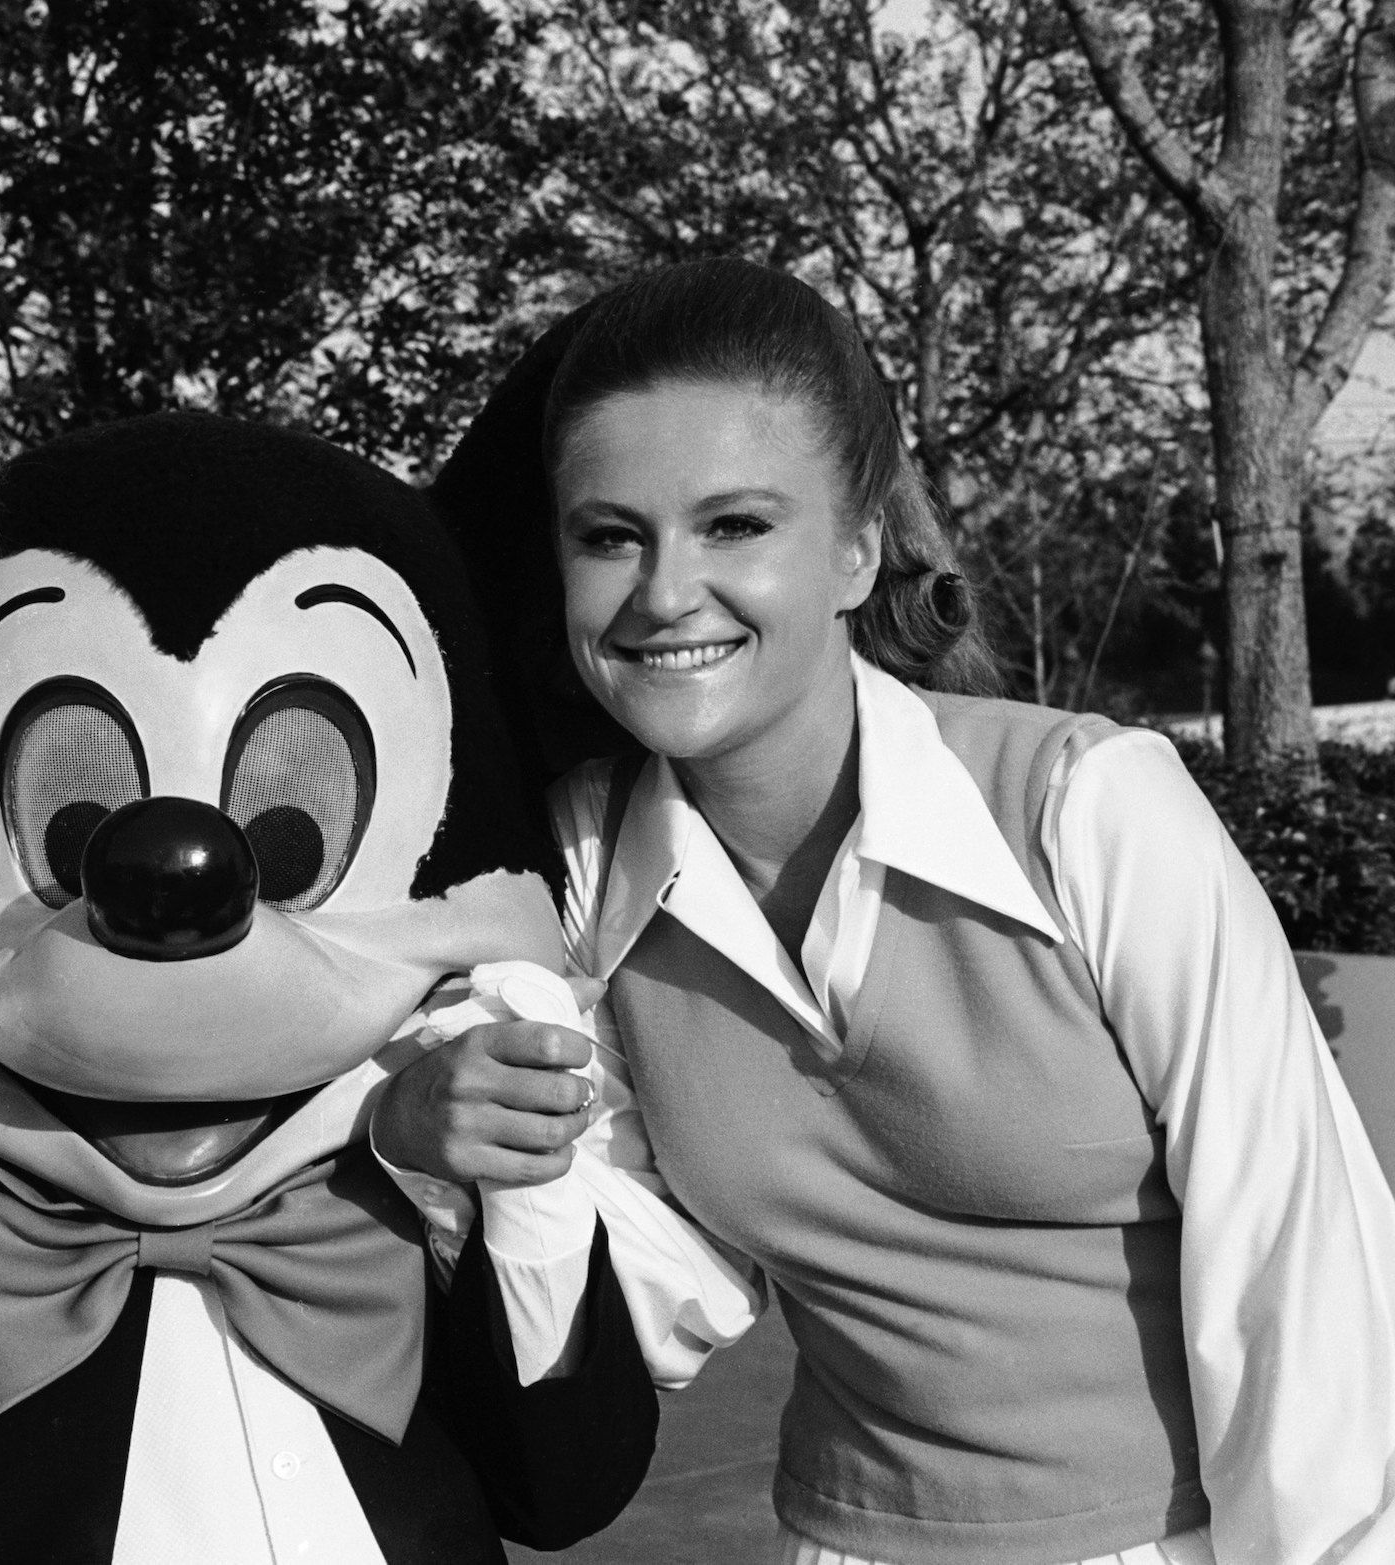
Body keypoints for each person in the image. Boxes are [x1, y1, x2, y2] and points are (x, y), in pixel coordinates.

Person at [378, 259, 1395, 1564]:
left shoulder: (1088, 811)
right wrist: (429, 1137)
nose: (663, 591)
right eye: (610, 534)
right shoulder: (584, 861)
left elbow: (1302, 1294)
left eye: (736, 525)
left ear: (859, 544)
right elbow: (640, 1287)